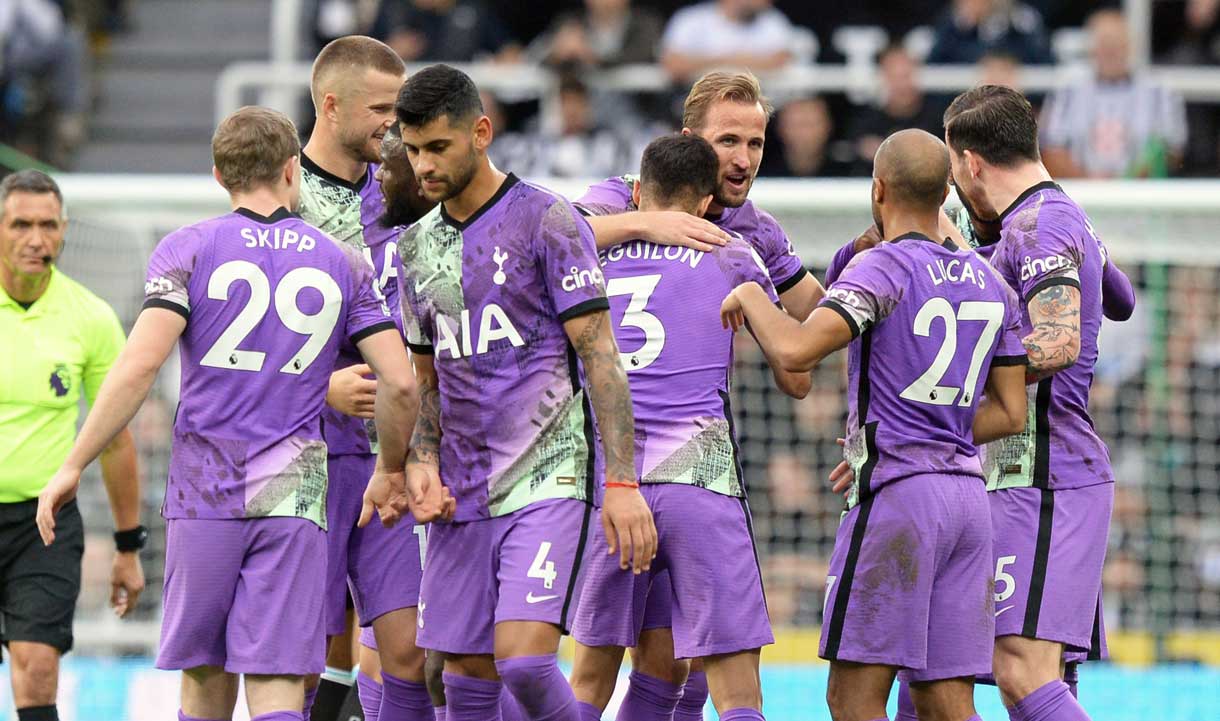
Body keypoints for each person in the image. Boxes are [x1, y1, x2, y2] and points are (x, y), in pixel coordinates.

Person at [36, 106, 420, 721]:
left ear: (219, 175)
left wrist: (71, 465)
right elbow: (400, 382)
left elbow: (138, 369)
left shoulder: (188, 249)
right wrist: (392, 467)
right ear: (293, 171)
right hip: (296, 496)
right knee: (277, 680)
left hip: (206, 491)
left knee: (206, 672)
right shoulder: (342, 262)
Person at [361, 63, 655, 721]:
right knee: (462, 677)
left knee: (522, 661)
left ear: (482, 132)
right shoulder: (413, 250)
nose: (423, 166)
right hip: (460, 494)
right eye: (413, 151)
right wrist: (421, 460)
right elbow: (426, 378)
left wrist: (624, 482)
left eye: (438, 147)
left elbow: (601, 353)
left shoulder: (546, 219)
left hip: (547, 478)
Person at [720, 128, 1030, 721]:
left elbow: (796, 352)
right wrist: (923, 433)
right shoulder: (991, 282)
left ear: (878, 188)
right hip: (969, 503)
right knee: (946, 699)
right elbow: (1011, 411)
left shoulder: (881, 268)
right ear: (946, 195)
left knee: (852, 696)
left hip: (900, 500)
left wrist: (753, 293)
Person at [574, 69, 824, 715]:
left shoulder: (754, 229)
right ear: (688, 141)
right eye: (727, 141)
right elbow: (799, 368)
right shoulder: (626, 203)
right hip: (693, 473)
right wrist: (647, 223)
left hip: (609, 473)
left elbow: (821, 314)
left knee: (643, 660)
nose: (742, 159)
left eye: (756, 143)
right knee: (719, 675)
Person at [937, 83, 1118, 721]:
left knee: (1014, 666)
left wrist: (941, 401)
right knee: (956, 674)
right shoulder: (1059, 217)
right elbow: (1117, 296)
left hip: (1044, 473)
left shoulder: (1039, 224)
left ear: (969, 163)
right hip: (1027, 476)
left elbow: (1059, 339)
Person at [295, 34, 436, 721]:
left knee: (408, 649)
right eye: (381, 108)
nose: (394, 123)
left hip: (388, 455)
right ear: (330, 104)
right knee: (298, 654)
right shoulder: (283, 198)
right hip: (301, 456)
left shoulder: (405, 197)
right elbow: (232, 347)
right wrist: (317, 386)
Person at [0, 169, 145, 721]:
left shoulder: (92, 318)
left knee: (37, 669)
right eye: (21, 225)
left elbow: (115, 442)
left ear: (64, 231)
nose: (36, 239)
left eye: (48, 225)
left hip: (44, 526)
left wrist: (129, 547)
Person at [1041, 9, 1187, 179]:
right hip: (1079, 195)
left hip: (1144, 196)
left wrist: (1128, 184)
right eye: (1104, 43)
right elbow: (1051, 148)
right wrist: (1091, 185)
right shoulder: (1067, 90)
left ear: (1131, 46)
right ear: (1091, 47)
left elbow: (1172, 150)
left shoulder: (1159, 91)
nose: (1110, 51)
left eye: (1117, 44)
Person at [659, 0, 813, 81]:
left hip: (756, 106)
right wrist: (730, 59)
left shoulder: (772, 20)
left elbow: (779, 62)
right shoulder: (691, 19)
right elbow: (673, 66)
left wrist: (702, 63)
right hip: (696, 105)